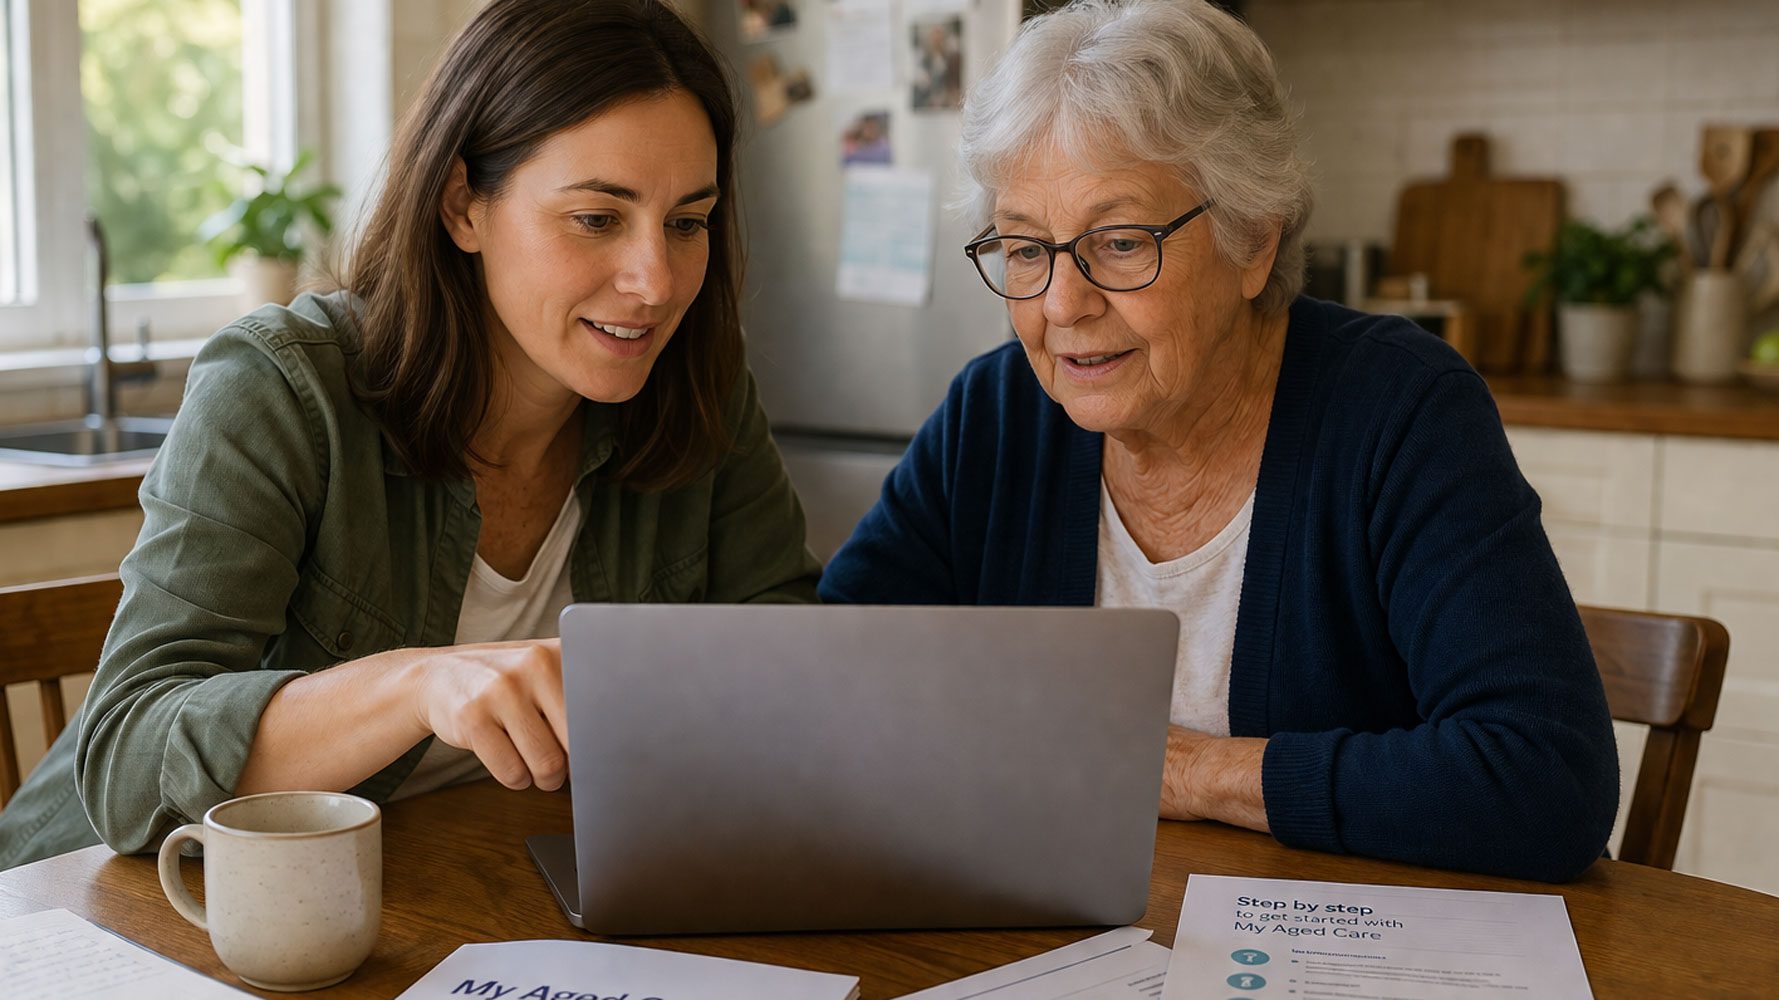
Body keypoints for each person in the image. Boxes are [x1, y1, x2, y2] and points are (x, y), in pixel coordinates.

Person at [0, 0, 819, 869]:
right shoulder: (280, 387)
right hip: (112, 906)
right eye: (596, 218)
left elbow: (785, 652)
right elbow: (130, 762)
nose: (654, 282)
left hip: (442, 886)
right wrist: (419, 683)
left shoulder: (699, 393)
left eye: (687, 222)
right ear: (462, 205)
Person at [818, 0, 1618, 882]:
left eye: (1119, 243)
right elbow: (829, 682)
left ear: (1252, 237)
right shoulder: (995, 415)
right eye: (1022, 248)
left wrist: (1189, 769)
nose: (1059, 305)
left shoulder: (1398, 411)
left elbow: (1544, 778)